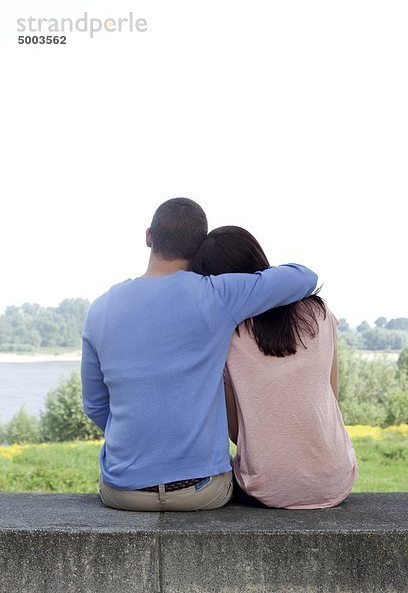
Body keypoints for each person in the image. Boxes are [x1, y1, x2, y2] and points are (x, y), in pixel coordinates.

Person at [81, 199, 318, 511]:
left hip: (122, 492)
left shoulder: (100, 309)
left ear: (149, 237)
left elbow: (95, 405)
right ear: (199, 246)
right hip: (202, 491)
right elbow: (304, 276)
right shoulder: (217, 295)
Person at [191, 226, 357, 509]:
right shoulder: (320, 314)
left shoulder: (228, 334)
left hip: (266, 488)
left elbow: (235, 431)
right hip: (335, 480)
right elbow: (331, 396)